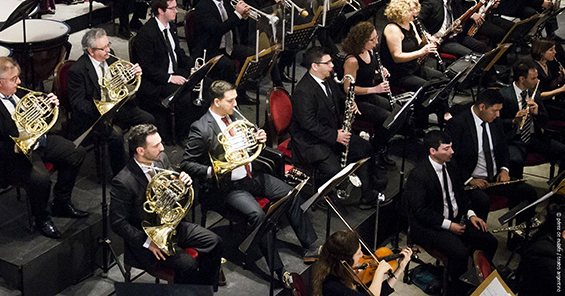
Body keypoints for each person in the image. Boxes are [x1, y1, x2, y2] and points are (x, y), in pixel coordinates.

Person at [181, 80, 319, 283]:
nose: (236, 104)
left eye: (236, 99)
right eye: (231, 101)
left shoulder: (234, 116)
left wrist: (258, 137)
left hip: (250, 177)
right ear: (217, 102)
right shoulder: (201, 128)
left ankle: (311, 245)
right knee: (257, 215)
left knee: (290, 193)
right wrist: (212, 170)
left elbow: (250, 142)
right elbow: (187, 163)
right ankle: (279, 271)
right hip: (227, 187)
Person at [0, 57, 88, 240]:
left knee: (76, 153)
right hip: (12, 155)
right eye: (14, 79)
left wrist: (48, 102)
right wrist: (18, 147)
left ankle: (61, 201)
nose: (19, 82)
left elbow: (37, 100)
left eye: (18, 77)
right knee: (41, 179)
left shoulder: (18, 89)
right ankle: (42, 218)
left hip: (38, 142)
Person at [110, 124, 223, 288]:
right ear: (140, 151)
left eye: (161, 142)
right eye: (156, 145)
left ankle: (204, 289)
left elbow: (171, 184)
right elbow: (118, 223)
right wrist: (149, 242)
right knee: (188, 265)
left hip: (171, 227)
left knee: (215, 242)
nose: (162, 148)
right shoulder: (123, 181)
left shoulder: (161, 159)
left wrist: (181, 182)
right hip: (147, 239)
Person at [290, 46, 386, 209]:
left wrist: (348, 102)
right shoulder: (303, 91)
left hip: (333, 132)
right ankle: (321, 196)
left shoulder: (328, 78)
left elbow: (339, 97)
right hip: (311, 142)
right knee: (334, 171)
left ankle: (367, 195)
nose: (332, 65)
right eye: (327, 63)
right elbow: (308, 124)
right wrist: (335, 135)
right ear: (315, 66)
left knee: (364, 148)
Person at [405, 130, 497, 296]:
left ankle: (481, 278)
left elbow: (461, 195)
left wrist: (471, 215)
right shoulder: (418, 175)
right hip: (432, 227)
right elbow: (420, 211)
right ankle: (456, 290)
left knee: (489, 241)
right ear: (433, 151)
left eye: (451, 147)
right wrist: (449, 226)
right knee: (459, 254)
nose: (452, 152)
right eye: (446, 148)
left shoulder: (451, 165)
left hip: (456, 219)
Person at [67, 28, 154, 176]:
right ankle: (121, 174)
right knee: (116, 135)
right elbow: (77, 103)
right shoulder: (78, 70)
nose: (108, 50)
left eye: (108, 45)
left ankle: (140, 160)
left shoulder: (109, 57)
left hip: (118, 107)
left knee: (148, 119)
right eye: (103, 48)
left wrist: (132, 74)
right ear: (91, 51)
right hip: (96, 116)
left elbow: (122, 79)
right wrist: (101, 108)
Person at [445, 89, 538, 222]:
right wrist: (469, 180)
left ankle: (519, 236)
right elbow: (450, 159)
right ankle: (479, 237)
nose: (498, 114)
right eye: (494, 110)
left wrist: (504, 169)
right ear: (482, 107)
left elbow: (503, 149)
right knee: (481, 200)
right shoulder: (458, 124)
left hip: (495, 178)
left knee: (528, 192)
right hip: (472, 180)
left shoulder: (495, 121)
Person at [133, 0, 199, 140]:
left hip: (173, 72)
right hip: (157, 81)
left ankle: (196, 127)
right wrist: (170, 78)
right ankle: (183, 136)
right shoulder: (146, 34)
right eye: (173, 8)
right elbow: (147, 67)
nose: (177, 11)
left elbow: (178, 53)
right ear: (161, 11)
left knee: (203, 83)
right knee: (184, 95)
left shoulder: (171, 27)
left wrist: (193, 66)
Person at [499, 60, 565, 179]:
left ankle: (557, 190)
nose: (537, 81)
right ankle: (517, 192)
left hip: (534, 136)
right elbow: (495, 123)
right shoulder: (504, 95)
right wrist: (513, 121)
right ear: (522, 79)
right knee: (515, 160)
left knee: (563, 150)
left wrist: (537, 113)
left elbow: (545, 120)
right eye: (533, 78)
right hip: (514, 139)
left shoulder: (534, 92)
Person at [341, 22, 394, 167]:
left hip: (368, 95)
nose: (376, 42)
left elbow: (368, 75)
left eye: (376, 38)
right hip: (356, 101)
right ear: (361, 40)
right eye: (372, 40)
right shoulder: (352, 60)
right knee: (385, 118)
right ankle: (375, 149)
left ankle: (380, 146)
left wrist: (379, 73)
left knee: (395, 111)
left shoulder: (370, 52)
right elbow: (348, 88)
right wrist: (375, 89)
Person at [312, 230, 411, 296]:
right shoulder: (332, 286)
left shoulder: (344, 271)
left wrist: (400, 269)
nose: (363, 255)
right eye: (358, 253)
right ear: (345, 261)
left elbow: (376, 292)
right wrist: (379, 272)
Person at [193, 0, 252, 83]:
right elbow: (218, 30)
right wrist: (237, 15)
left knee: (251, 54)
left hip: (227, 45)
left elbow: (231, 23)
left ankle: (241, 88)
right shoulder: (203, 7)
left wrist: (242, 17)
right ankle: (228, 94)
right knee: (228, 66)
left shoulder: (224, 1)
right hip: (211, 49)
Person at [379, 0, 442, 91]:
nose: (416, 12)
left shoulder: (411, 23)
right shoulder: (392, 29)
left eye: (415, 8)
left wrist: (426, 42)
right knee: (427, 88)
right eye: (411, 10)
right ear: (401, 12)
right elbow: (397, 57)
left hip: (413, 67)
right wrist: (422, 51)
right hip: (399, 73)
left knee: (442, 79)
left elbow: (419, 45)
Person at [418, 0, 488, 58]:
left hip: (454, 36)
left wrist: (458, 28)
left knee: (481, 46)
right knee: (468, 54)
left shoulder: (454, 1)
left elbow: (460, 15)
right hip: (441, 41)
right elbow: (417, 19)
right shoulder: (431, 3)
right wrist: (428, 35)